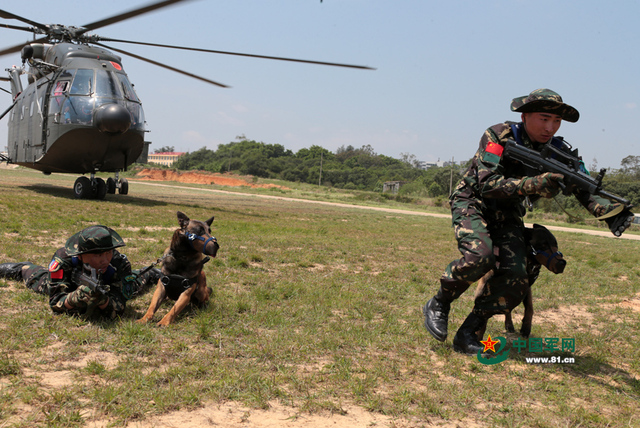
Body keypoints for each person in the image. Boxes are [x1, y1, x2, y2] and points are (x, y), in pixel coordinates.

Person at [422, 88, 635, 355]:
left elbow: (585, 187)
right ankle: (440, 302)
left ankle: (469, 334)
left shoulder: (559, 152)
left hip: (508, 210)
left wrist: (610, 213)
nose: (550, 127)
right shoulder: (498, 135)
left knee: (516, 274)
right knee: (481, 255)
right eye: (544, 119)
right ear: (525, 116)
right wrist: (536, 184)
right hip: (473, 201)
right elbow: (487, 184)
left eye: (556, 122)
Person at [0, 225, 161, 319]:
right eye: (98, 255)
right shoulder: (63, 259)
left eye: (108, 252)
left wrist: (104, 301)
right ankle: (17, 268)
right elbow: (55, 302)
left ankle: (154, 273)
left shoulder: (119, 263)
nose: (105, 259)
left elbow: (119, 308)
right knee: (37, 278)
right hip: (69, 282)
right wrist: (73, 298)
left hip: (108, 284)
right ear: (81, 255)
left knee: (136, 281)